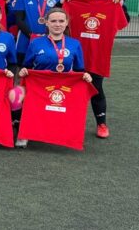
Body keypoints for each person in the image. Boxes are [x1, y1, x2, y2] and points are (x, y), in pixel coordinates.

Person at [60, 0, 125, 139]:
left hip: (98, 52)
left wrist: (120, 3)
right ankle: (69, 123)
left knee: (96, 87)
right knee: (71, 89)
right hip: (74, 52)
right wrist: (62, 1)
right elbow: (57, 19)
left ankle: (101, 123)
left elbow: (122, 21)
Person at [19, 8, 94, 147]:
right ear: (46, 23)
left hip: (62, 86)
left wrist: (86, 76)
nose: (57, 24)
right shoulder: (35, 43)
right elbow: (27, 65)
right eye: (53, 21)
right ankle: (25, 134)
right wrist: (24, 71)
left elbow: (79, 70)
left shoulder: (75, 44)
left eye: (61, 21)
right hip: (39, 86)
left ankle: (63, 135)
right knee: (31, 107)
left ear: (66, 23)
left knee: (59, 109)